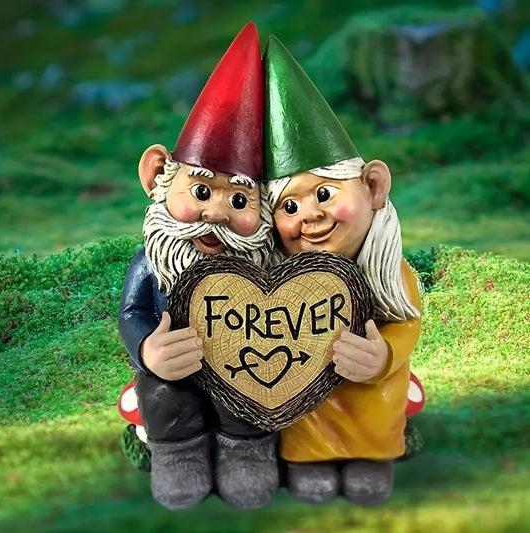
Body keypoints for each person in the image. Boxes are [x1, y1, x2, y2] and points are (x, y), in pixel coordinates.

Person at [119, 24, 279, 511]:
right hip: (175, 370)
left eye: (239, 200)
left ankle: (247, 451)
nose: (215, 214)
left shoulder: (263, 266)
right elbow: (133, 312)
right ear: (157, 176)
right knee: (162, 391)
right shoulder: (152, 263)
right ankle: (178, 455)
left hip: (243, 365)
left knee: (251, 388)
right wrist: (147, 349)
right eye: (202, 190)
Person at [263, 36, 422, 505]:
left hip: (372, 400)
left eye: (324, 194)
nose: (310, 215)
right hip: (307, 410)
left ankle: (371, 459)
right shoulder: (279, 281)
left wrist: (383, 356)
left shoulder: (387, 272)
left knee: (374, 414)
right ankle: (308, 460)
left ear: (373, 186)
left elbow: (406, 323)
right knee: (305, 412)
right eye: (289, 206)